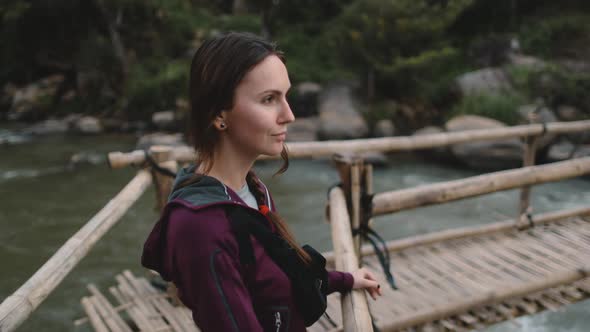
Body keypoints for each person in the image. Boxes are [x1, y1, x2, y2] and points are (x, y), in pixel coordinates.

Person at [141, 31, 382, 332]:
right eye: (269, 99)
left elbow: (277, 270)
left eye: (286, 96)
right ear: (219, 115)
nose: (289, 115)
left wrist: (345, 279)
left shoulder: (250, 190)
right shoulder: (201, 228)